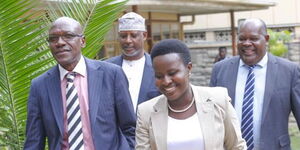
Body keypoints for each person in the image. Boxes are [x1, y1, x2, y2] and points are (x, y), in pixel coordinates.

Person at [24, 17, 136, 150]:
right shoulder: (40, 86)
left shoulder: (112, 75)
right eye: (53, 38)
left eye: (68, 36)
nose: (60, 43)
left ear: (82, 41)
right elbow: (34, 141)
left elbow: (130, 128)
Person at [135, 39, 247, 150]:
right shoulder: (146, 112)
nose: (166, 81)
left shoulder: (218, 100)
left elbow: (237, 147)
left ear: (188, 68)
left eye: (172, 73)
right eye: (159, 76)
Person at [210, 18, 300, 150]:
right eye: (242, 39)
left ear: (266, 39)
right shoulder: (220, 69)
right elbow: (211, 117)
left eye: (253, 38)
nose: (247, 43)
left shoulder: (289, 71)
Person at [106, 12, 160, 112]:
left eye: (134, 36)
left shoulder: (158, 67)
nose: (128, 41)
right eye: (123, 36)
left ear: (144, 35)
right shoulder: (107, 68)